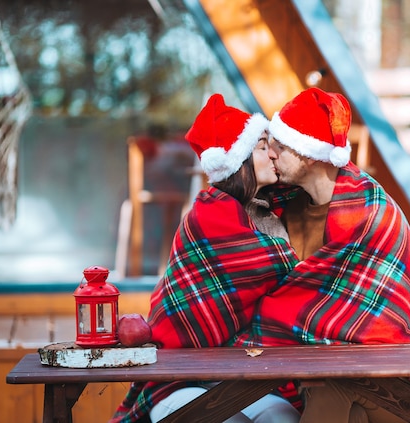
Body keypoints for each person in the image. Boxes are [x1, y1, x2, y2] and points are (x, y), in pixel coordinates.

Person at [231, 87, 410, 422]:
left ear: (309, 153)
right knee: (339, 400)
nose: (270, 153)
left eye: (280, 146)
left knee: (332, 386)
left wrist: (285, 319)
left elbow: (381, 324)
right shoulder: (281, 208)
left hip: (401, 386)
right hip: (317, 378)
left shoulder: (370, 214)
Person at [110, 94, 301, 423]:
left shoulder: (268, 213)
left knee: (282, 416)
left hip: (245, 372)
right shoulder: (211, 212)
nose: (271, 153)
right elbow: (279, 268)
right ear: (237, 163)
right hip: (182, 376)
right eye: (259, 148)